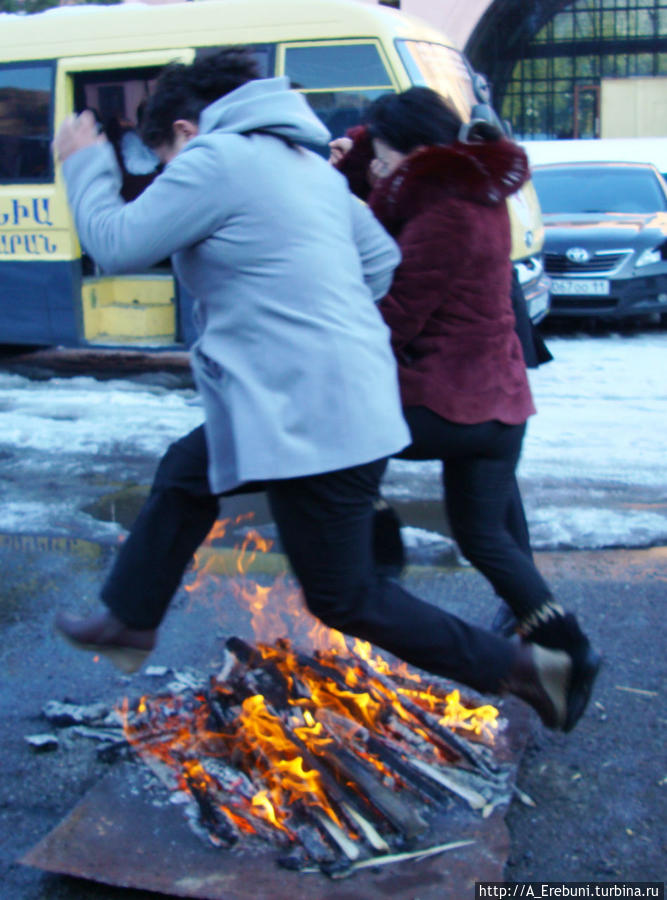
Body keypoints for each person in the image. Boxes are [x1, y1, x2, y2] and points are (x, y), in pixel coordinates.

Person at [53, 49, 586, 733]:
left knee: (345, 595)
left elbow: (115, 242)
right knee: (187, 471)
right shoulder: (306, 168)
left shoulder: (219, 160)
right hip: (315, 398)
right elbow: (379, 260)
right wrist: (312, 321)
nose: (164, 177)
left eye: (160, 159)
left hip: (310, 412)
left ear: (188, 131)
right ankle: (128, 618)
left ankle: (525, 669)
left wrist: (84, 162)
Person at [330, 87, 600, 716]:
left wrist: (326, 333)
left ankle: (374, 539)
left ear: (419, 153)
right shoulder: (471, 188)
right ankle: (568, 651)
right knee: (484, 535)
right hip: (502, 405)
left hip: (453, 405)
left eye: (386, 155)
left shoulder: (443, 213)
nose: (377, 169)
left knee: (340, 422)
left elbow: (397, 317)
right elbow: (381, 194)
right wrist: (363, 151)